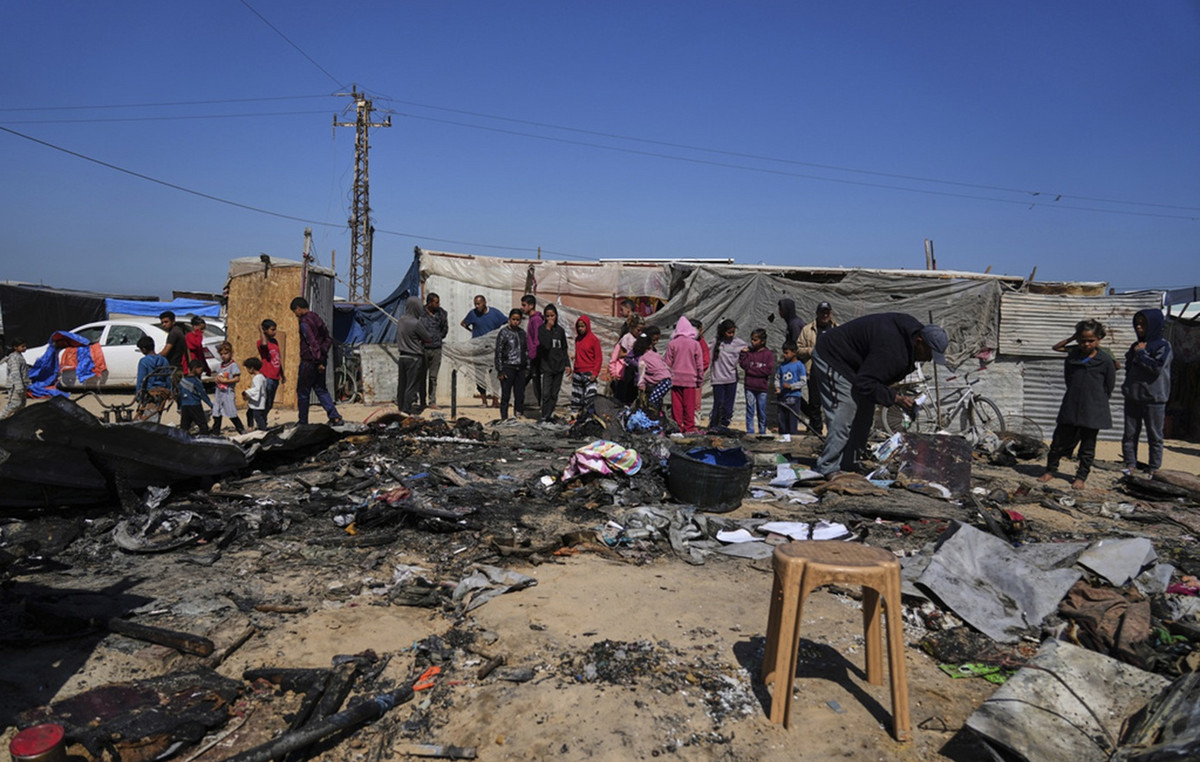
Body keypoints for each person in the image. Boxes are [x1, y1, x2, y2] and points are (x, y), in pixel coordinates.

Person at [811, 313, 948, 478]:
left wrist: (895, 397)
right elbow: (866, 382)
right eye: (930, 353)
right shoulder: (892, 349)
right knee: (845, 411)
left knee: (865, 416)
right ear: (920, 341)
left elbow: (875, 378)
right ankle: (828, 467)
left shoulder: (909, 338)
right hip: (833, 356)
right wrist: (895, 398)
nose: (930, 359)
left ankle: (849, 465)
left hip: (857, 370)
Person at [1039, 319, 1116, 489]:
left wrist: (1095, 400)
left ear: (1098, 340)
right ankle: (1050, 470)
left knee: (1087, 446)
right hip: (1072, 404)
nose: (1086, 344)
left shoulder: (1105, 360)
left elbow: (1109, 386)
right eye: (1082, 340)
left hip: (1094, 408)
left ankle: (1081, 476)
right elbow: (1069, 378)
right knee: (1058, 441)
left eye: (1091, 340)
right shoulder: (1073, 356)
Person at [1122, 309, 1173, 476]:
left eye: (1143, 324)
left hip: (1154, 398)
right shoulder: (1136, 346)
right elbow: (1129, 367)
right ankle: (1130, 465)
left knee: (1155, 436)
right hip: (1133, 396)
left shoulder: (1163, 346)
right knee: (1130, 434)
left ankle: (1154, 468)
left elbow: (1156, 368)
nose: (1139, 327)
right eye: (1137, 324)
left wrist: (1142, 353)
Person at [290, 297, 344, 425]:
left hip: (310, 362)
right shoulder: (316, 318)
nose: (295, 315)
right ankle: (335, 417)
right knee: (321, 389)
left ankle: (303, 421)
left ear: (298, 308)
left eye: (295, 311)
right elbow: (327, 338)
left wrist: (318, 360)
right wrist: (323, 357)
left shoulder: (305, 322)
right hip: (321, 360)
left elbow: (312, 343)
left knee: (303, 392)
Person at [460, 294, 507, 407]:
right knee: (479, 375)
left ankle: (495, 400)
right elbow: (463, 323)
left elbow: (506, 322)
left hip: (492, 348)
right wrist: (472, 331)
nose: (477, 306)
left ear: (485, 303)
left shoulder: (495, 313)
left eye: (479, 304)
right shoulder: (473, 314)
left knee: (494, 374)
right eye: (475, 304)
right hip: (478, 348)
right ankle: (484, 401)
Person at [797, 301, 836, 433]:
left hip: (832, 372)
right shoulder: (807, 330)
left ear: (830, 313)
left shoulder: (837, 329)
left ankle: (833, 430)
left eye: (827, 312)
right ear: (817, 313)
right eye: (822, 312)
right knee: (814, 402)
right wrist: (812, 351)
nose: (825, 315)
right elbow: (799, 349)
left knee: (833, 402)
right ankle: (816, 430)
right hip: (814, 370)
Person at [664, 316, 704, 434]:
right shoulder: (695, 344)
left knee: (676, 406)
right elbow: (699, 364)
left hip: (675, 379)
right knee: (689, 405)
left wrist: (667, 377)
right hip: (690, 380)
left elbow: (667, 363)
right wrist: (699, 380)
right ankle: (689, 427)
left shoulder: (672, 344)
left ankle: (677, 427)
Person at [395, 296, 432, 415]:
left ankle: (400, 408)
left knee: (402, 385)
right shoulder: (416, 323)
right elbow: (428, 338)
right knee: (411, 386)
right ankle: (406, 410)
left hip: (402, 357)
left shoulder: (401, 320)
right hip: (414, 358)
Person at [708, 319, 746, 430]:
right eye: (729, 332)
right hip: (718, 378)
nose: (731, 335)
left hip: (731, 378)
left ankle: (724, 425)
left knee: (728, 406)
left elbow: (746, 351)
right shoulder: (715, 342)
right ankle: (714, 425)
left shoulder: (738, 343)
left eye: (733, 332)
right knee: (718, 403)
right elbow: (707, 356)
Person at [536, 303, 569, 423]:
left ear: (556, 316)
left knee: (554, 394)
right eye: (548, 316)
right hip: (547, 367)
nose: (550, 318)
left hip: (558, 366)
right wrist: (548, 329)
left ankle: (550, 414)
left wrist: (567, 364)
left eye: (552, 315)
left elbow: (564, 348)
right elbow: (545, 344)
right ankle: (544, 415)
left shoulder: (560, 331)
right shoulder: (542, 329)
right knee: (546, 394)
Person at [739, 328, 775, 435]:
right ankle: (750, 431)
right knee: (750, 410)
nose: (752, 342)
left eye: (755, 340)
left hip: (762, 387)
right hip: (750, 386)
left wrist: (751, 370)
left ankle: (762, 431)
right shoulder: (749, 353)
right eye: (752, 339)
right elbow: (744, 365)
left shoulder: (768, 354)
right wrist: (743, 354)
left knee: (761, 411)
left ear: (762, 341)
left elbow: (767, 371)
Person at [494, 308, 528, 421]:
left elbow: (526, 351)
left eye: (518, 320)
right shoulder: (504, 333)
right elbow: (498, 351)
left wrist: (527, 367)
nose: (515, 322)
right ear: (509, 319)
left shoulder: (522, 333)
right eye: (513, 319)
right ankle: (504, 418)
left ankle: (518, 416)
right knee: (506, 395)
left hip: (520, 368)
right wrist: (500, 370)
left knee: (519, 395)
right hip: (508, 367)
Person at [419, 292, 449, 409]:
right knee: (422, 377)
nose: (438, 304)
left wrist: (436, 338)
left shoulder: (441, 314)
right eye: (436, 302)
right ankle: (422, 401)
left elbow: (444, 330)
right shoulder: (420, 313)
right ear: (429, 303)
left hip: (436, 348)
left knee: (433, 377)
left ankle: (432, 401)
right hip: (423, 349)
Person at [571, 315, 603, 419]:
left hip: (589, 373)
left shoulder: (594, 340)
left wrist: (595, 373)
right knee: (576, 397)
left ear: (587, 326)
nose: (580, 329)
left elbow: (598, 358)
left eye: (582, 326)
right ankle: (575, 417)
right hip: (578, 372)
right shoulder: (578, 339)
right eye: (579, 326)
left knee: (590, 397)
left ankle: (589, 416)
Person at [211, 341, 245, 435]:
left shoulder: (233, 365)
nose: (223, 356)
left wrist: (226, 381)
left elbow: (237, 378)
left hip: (228, 392)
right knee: (217, 412)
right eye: (221, 354)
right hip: (219, 392)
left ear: (231, 353)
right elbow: (217, 375)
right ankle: (215, 433)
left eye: (225, 353)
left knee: (231, 412)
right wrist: (217, 379)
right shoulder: (220, 365)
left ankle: (241, 430)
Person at [634, 329, 671, 415]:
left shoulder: (643, 359)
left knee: (651, 402)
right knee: (657, 400)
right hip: (667, 380)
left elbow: (641, 375)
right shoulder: (656, 354)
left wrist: (641, 385)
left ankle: (652, 416)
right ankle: (658, 415)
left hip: (662, 381)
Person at [134, 336, 171, 422]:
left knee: (148, 418)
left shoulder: (144, 361)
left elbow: (141, 380)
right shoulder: (164, 360)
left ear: (144, 349)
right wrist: (169, 391)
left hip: (149, 393)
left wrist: (139, 396)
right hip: (163, 392)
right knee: (156, 414)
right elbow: (168, 378)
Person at [609, 314, 644, 405]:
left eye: (641, 330)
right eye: (638, 330)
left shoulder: (640, 339)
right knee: (621, 400)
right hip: (623, 374)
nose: (640, 332)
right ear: (632, 327)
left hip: (633, 374)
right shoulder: (627, 338)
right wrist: (613, 373)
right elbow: (619, 355)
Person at [776, 341, 806, 442]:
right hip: (782, 397)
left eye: (786, 353)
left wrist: (791, 386)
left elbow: (803, 381)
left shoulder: (799, 365)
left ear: (794, 352)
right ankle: (783, 441)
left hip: (794, 397)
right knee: (782, 421)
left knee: (792, 421)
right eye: (783, 353)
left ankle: (792, 442)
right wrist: (777, 387)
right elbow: (777, 378)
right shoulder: (782, 365)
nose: (784, 355)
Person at [256, 319, 285, 422]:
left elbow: (277, 359)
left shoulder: (274, 342)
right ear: (265, 330)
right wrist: (261, 332)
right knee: (265, 401)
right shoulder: (260, 343)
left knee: (270, 403)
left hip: (275, 376)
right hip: (267, 376)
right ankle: (261, 421)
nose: (274, 332)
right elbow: (264, 344)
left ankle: (263, 419)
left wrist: (282, 374)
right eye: (272, 330)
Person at [522, 295, 545, 411]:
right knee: (526, 381)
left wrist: (533, 355)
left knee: (535, 383)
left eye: (524, 305)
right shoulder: (532, 319)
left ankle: (542, 407)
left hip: (535, 356)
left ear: (531, 306)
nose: (522, 308)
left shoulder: (536, 320)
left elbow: (537, 338)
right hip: (532, 356)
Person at [178, 359, 213, 435]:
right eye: (201, 369)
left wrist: (179, 406)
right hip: (195, 405)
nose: (201, 372)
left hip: (185, 406)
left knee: (184, 426)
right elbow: (203, 394)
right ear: (195, 368)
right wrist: (210, 404)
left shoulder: (182, 381)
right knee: (202, 425)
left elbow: (179, 395)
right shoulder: (196, 381)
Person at [2, 338, 29, 420]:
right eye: (22, 346)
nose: (25, 348)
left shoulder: (19, 356)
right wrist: (19, 387)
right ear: (15, 347)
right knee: (14, 404)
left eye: (25, 346)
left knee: (21, 405)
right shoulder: (14, 358)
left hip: (22, 385)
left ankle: (17, 421)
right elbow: (15, 373)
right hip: (16, 386)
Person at [242, 357, 269, 430]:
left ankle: (263, 429)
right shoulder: (261, 377)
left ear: (252, 368)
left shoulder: (258, 378)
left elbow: (257, 390)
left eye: (247, 368)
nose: (247, 370)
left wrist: (247, 392)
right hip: (256, 402)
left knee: (258, 416)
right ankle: (250, 427)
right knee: (249, 413)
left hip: (258, 403)